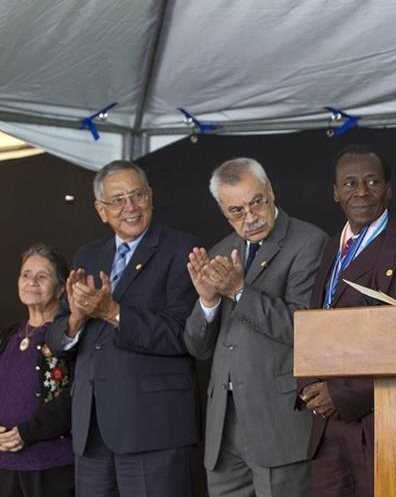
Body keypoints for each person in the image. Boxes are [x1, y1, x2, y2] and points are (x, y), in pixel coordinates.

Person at [297, 144, 396, 497]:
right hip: (327, 429)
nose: (361, 192)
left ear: (388, 189)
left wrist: (344, 395)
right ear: (335, 193)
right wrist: (308, 386)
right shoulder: (332, 248)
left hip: (383, 425)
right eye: (350, 183)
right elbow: (315, 323)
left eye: (371, 182)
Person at [47, 160, 199, 497]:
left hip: (152, 428)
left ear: (151, 197)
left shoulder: (181, 249)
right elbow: (57, 338)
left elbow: (182, 333)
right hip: (92, 428)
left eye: (137, 195)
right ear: (101, 211)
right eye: (117, 200)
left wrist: (113, 313)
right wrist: (75, 320)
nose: (129, 207)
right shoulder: (88, 254)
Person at [184, 157, 328, 497]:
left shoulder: (309, 242)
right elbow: (198, 348)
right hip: (225, 426)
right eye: (236, 211)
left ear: (271, 193)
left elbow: (303, 329)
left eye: (256, 203)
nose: (249, 218)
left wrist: (238, 292)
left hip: (277, 422)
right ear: (223, 211)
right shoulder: (222, 251)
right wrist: (208, 301)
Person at [0, 243, 74, 497]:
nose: (31, 281)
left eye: (42, 276)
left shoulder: (68, 336)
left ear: (62, 287)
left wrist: (27, 432)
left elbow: (75, 398)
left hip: (52, 468)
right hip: (5, 467)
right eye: (26, 275)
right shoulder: (8, 335)